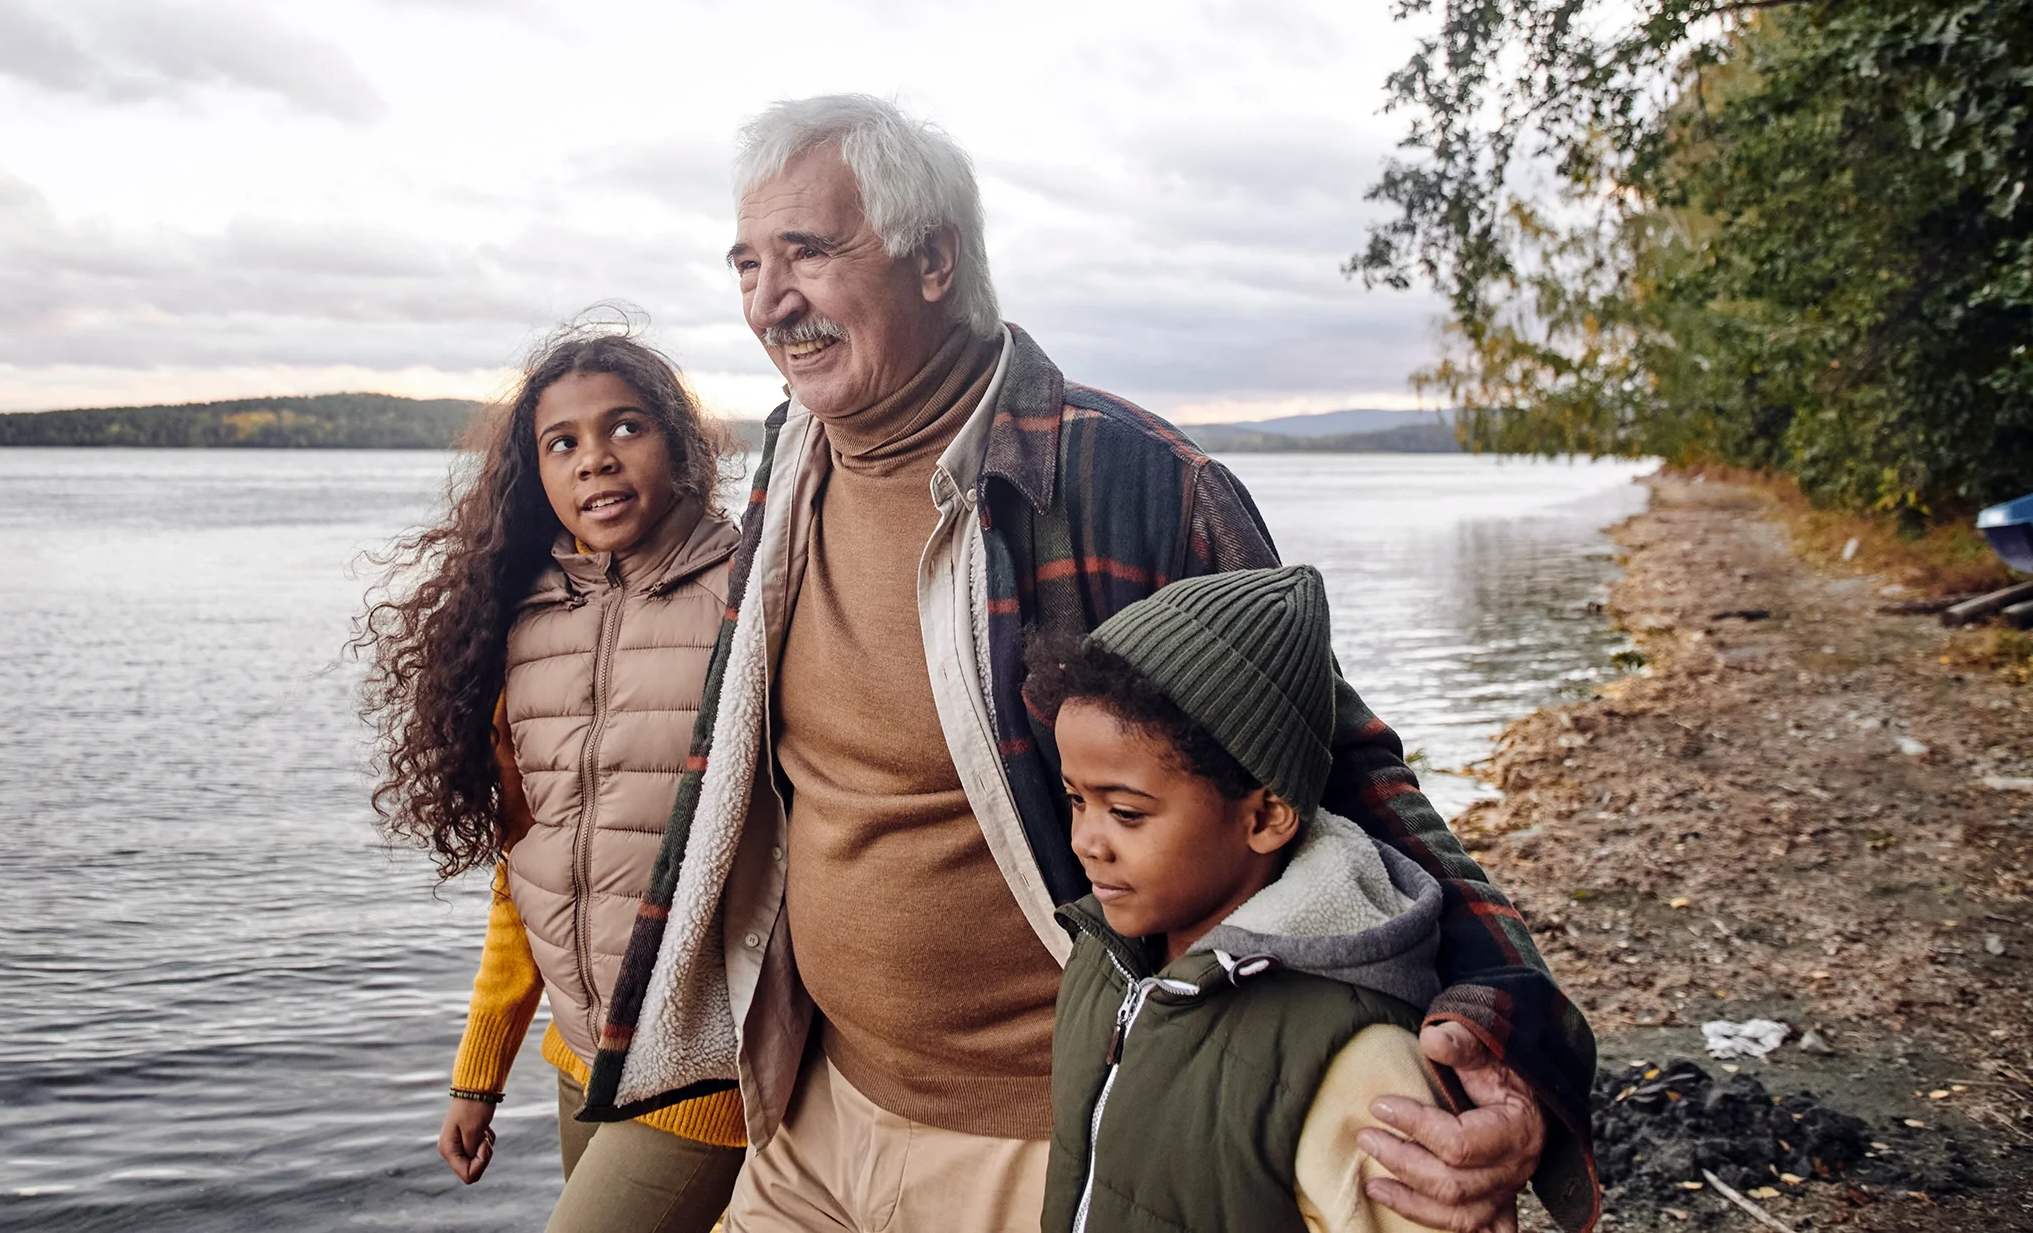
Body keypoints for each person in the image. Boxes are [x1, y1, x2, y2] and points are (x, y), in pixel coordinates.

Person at [575, 95, 1599, 1233]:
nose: (771, 301)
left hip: (1044, 1136)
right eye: (748, 263)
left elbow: (1340, 775)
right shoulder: (790, 457)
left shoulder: (1132, 481)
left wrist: (1509, 1032)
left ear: (934, 260)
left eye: (809, 253)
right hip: (814, 1105)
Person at [358, 323, 747, 1233]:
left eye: (626, 428)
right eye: (561, 443)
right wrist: (479, 1070)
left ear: (681, 443)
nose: (594, 462)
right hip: (579, 1059)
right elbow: (525, 869)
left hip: (706, 1066)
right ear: (534, 473)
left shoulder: (752, 592)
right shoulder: (523, 613)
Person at [1029, 565, 1451, 1233]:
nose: (1086, 841)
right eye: (1077, 800)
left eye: (1128, 814)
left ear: (1265, 817)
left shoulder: (1358, 1058)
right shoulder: (1099, 966)